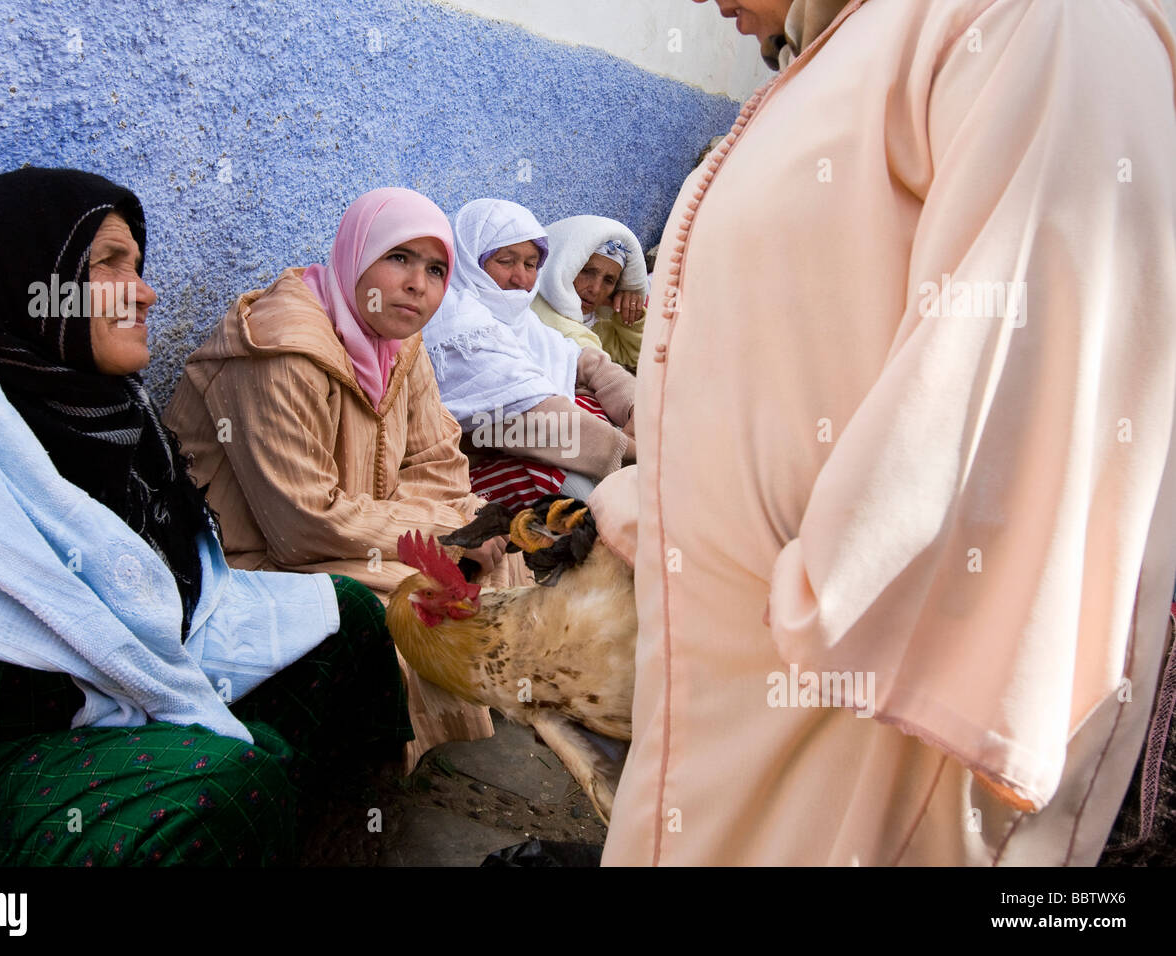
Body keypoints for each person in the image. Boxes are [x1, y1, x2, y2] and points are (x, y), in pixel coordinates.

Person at [592, 0, 1176, 865]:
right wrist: (666, 514)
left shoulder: (1036, 20)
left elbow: (1019, 373)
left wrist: (828, 600)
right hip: (737, 701)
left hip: (866, 729)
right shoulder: (849, 51)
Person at [0, 167, 412, 866]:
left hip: (126, 676)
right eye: (110, 263)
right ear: (20, 282)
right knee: (224, 789)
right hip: (5, 761)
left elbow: (173, 594)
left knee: (349, 620)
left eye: (140, 264)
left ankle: (319, 839)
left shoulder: (99, 418)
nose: (148, 290)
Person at [164, 188, 521, 772]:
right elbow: (304, 520)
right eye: (399, 257)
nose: (417, 284)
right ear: (357, 254)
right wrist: (445, 539)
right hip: (257, 553)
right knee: (416, 602)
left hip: (350, 530)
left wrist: (452, 530)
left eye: (436, 269)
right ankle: (372, 776)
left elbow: (439, 459)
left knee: (500, 557)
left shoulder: (399, 342)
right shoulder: (280, 354)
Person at [423, 199, 637, 511]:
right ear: (471, 259)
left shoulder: (517, 317)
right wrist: (631, 450)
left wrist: (635, 407)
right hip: (457, 477)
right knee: (577, 490)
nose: (521, 279)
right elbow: (535, 422)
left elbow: (581, 360)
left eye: (531, 264)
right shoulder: (457, 326)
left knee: (589, 409)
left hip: (520, 445)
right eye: (506, 261)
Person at [531, 215, 648, 372]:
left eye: (609, 280)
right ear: (561, 265)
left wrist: (630, 317)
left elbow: (642, 358)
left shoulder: (594, 322)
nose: (596, 289)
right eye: (587, 271)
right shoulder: (533, 308)